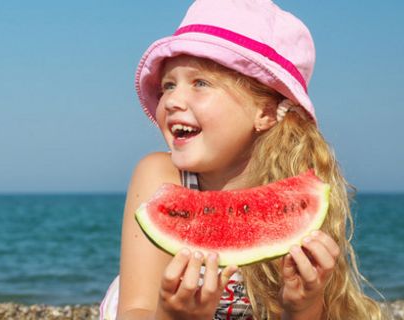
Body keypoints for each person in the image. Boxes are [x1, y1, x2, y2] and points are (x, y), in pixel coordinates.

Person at [99, 0, 385, 319]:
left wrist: (303, 305)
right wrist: (172, 315)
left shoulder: (297, 194)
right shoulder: (159, 175)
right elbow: (134, 309)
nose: (172, 101)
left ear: (263, 111)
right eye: (168, 85)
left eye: (200, 83)